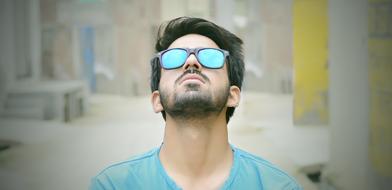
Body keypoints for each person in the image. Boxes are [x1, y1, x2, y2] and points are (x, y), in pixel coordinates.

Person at [90, 17, 302, 190]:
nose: (191, 62)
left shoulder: (277, 186)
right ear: (157, 100)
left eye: (211, 57)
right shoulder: (112, 186)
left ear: (233, 95)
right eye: (174, 58)